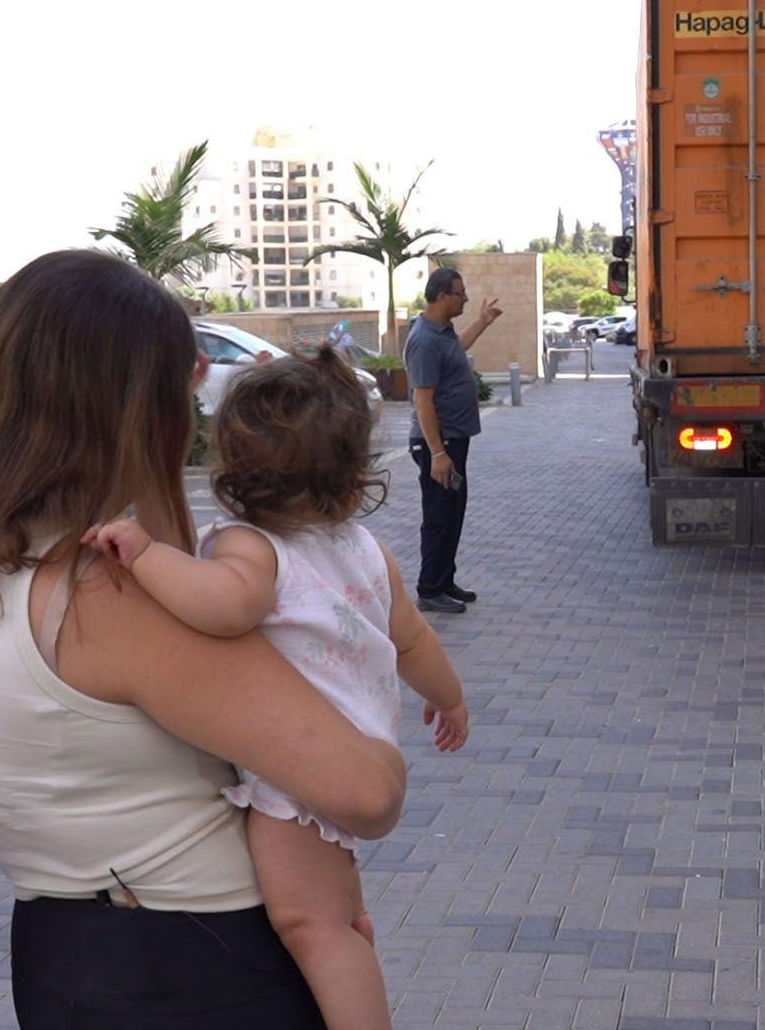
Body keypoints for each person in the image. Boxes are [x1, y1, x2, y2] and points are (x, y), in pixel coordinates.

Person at [0, 250, 409, 1027]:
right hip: (207, 964)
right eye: (176, 400)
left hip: (60, 955)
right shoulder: (102, 601)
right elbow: (367, 793)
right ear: (134, 411)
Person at [82, 345, 468, 1030]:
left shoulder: (250, 547)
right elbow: (412, 640)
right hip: (357, 743)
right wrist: (450, 697)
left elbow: (223, 607)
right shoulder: (363, 547)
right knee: (338, 917)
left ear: (233, 471)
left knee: (312, 927)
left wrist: (146, 554)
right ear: (352, 477)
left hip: (298, 779)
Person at [406, 267, 502, 614]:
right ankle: (429, 589)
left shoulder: (441, 332)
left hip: (453, 441)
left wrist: (483, 322)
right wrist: (437, 453)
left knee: (452, 512)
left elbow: (457, 350)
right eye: (460, 293)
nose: (465, 299)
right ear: (443, 296)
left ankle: (444, 580)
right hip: (438, 443)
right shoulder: (424, 340)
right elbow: (423, 400)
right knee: (438, 516)